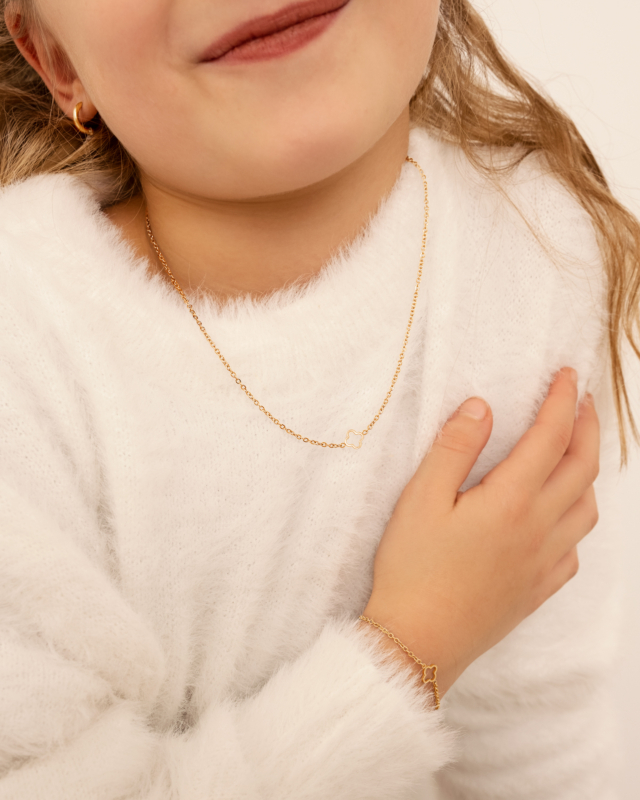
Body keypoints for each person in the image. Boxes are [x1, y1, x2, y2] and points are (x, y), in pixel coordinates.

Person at [0, 0, 638, 798]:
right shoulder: (21, 350)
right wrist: (407, 653)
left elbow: (544, 745)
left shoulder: (536, 248)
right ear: (59, 63)